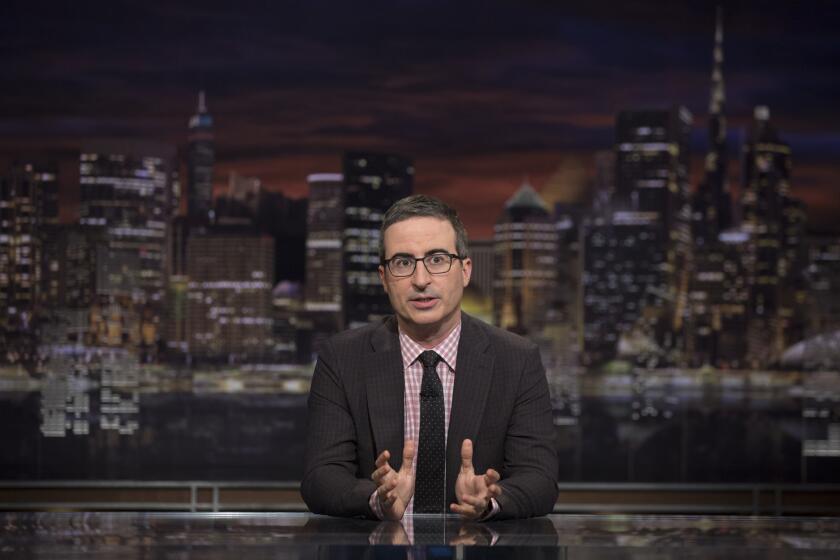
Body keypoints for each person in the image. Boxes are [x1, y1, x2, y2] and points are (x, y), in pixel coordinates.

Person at [302, 194, 558, 521]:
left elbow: (540, 479)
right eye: (403, 263)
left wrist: (491, 500)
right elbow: (320, 476)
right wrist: (375, 498)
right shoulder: (342, 358)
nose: (421, 280)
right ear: (384, 278)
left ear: (465, 270)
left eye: (437, 259)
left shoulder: (517, 360)